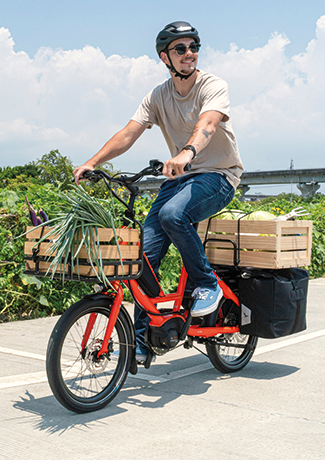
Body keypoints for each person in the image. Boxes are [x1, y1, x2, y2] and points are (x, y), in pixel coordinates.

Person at [73, 21, 243, 365]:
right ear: (165, 57)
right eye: (180, 49)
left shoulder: (212, 85)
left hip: (218, 176)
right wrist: (92, 161)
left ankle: (206, 284)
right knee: (139, 261)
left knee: (172, 215)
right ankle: (140, 344)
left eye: (193, 47)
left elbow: (207, 125)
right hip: (180, 181)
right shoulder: (158, 96)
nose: (189, 54)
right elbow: (128, 133)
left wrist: (187, 153)